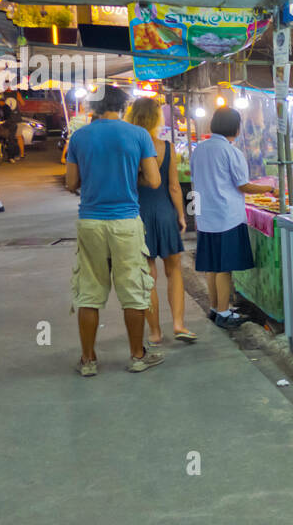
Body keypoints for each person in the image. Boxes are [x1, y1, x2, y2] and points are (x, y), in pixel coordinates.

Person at [64, 84, 163, 376]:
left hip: (90, 221)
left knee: (89, 292)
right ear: (123, 107)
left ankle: (88, 360)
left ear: (92, 108)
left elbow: (71, 183)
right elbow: (155, 181)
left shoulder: (79, 137)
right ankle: (136, 355)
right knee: (133, 289)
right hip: (126, 221)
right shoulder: (138, 135)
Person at [191, 107, 279, 329]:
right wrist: (270, 188)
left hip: (205, 216)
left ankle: (214, 308)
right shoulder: (232, 152)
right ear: (236, 128)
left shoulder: (199, 149)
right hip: (226, 216)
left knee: (211, 266)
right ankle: (224, 313)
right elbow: (243, 185)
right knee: (224, 267)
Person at [126, 97, 194, 346]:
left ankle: (155, 333)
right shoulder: (166, 147)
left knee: (148, 275)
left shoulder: (129, 147)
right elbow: (174, 187)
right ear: (157, 118)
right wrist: (180, 215)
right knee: (174, 270)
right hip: (165, 210)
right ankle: (178, 324)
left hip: (139, 212)